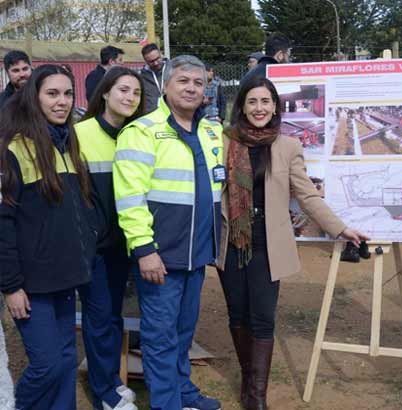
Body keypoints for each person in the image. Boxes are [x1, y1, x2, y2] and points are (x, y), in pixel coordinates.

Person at [216, 77, 369, 410]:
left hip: (267, 242)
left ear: (275, 107)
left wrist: (339, 228)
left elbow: (307, 194)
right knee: (237, 314)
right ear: (241, 105)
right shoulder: (224, 142)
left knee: (262, 318)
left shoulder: (287, 146)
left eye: (265, 102)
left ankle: (256, 396)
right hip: (231, 239)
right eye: (252, 101)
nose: (259, 108)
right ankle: (247, 379)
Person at [113, 55, 223, 410]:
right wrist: (144, 249)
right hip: (161, 255)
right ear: (165, 85)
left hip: (197, 253)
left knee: (183, 333)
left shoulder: (210, 131)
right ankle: (167, 403)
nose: (192, 88)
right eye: (183, 81)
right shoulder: (141, 132)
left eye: (198, 83)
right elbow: (129, 198)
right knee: (159, 337)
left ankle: (183, 391)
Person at [0, 64, 96, 409]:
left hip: (66, 277)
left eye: (68, 93)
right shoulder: (12, 150)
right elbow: (3, 225)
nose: (62, 102)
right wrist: (11, 285)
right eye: (52, 93)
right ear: (34, 97)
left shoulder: (68, 145)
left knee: (67, 360)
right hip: (31, 285)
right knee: (47, 365)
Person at [75, 66, 146, 410]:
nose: (129, 97)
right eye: (122, 90)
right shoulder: (81, 133)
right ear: (104, 92)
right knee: (100, 315)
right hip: (96, 248)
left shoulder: (138, 134)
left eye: (135, 92)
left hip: (129, 244)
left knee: (114, 314)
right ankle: (106, 391)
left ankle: (111, 381)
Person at [139, 43, 166, 113]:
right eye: (151, 61)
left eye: (157, 58)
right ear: (145, 61)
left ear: (161, 54)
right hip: (152, 116)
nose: (156, 63)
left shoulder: (174, 69)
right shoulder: (141, 77)